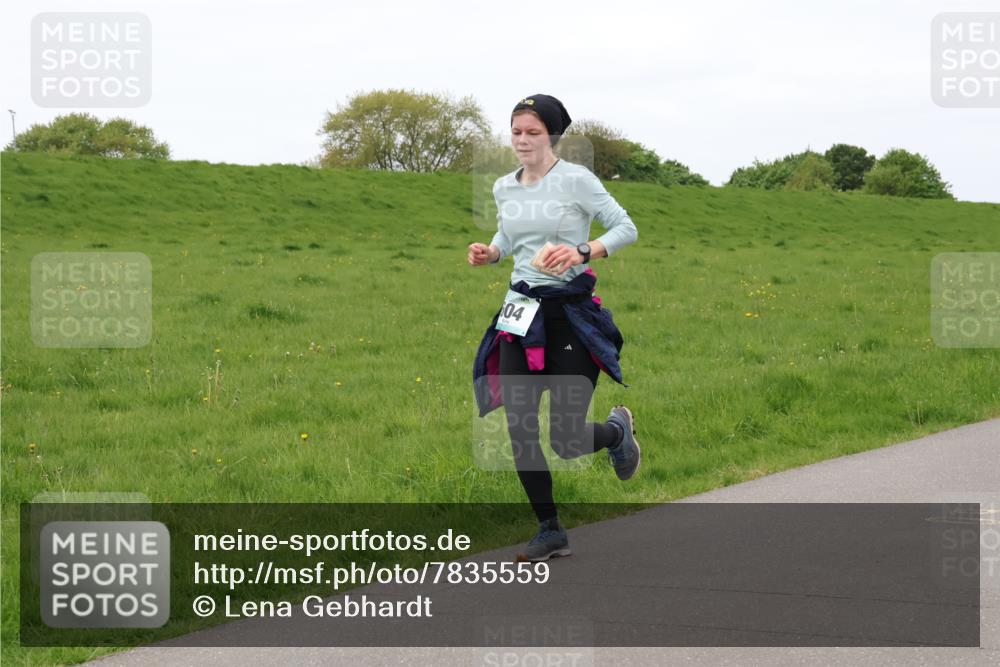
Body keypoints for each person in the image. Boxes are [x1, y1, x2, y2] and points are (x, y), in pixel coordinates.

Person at [468, 94, 640, 562]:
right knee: (520, 426)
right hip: (520, 313)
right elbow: (509, 234)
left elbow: (626, 227)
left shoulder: (576, 181)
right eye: (516, 131)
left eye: (532, 133)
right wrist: (493, 252)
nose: (521, 141)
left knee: (566, 440)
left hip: (569, 316)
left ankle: (616, 433)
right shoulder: (505, 187)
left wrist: (584, 251)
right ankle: (549, 529)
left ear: (553, 136)